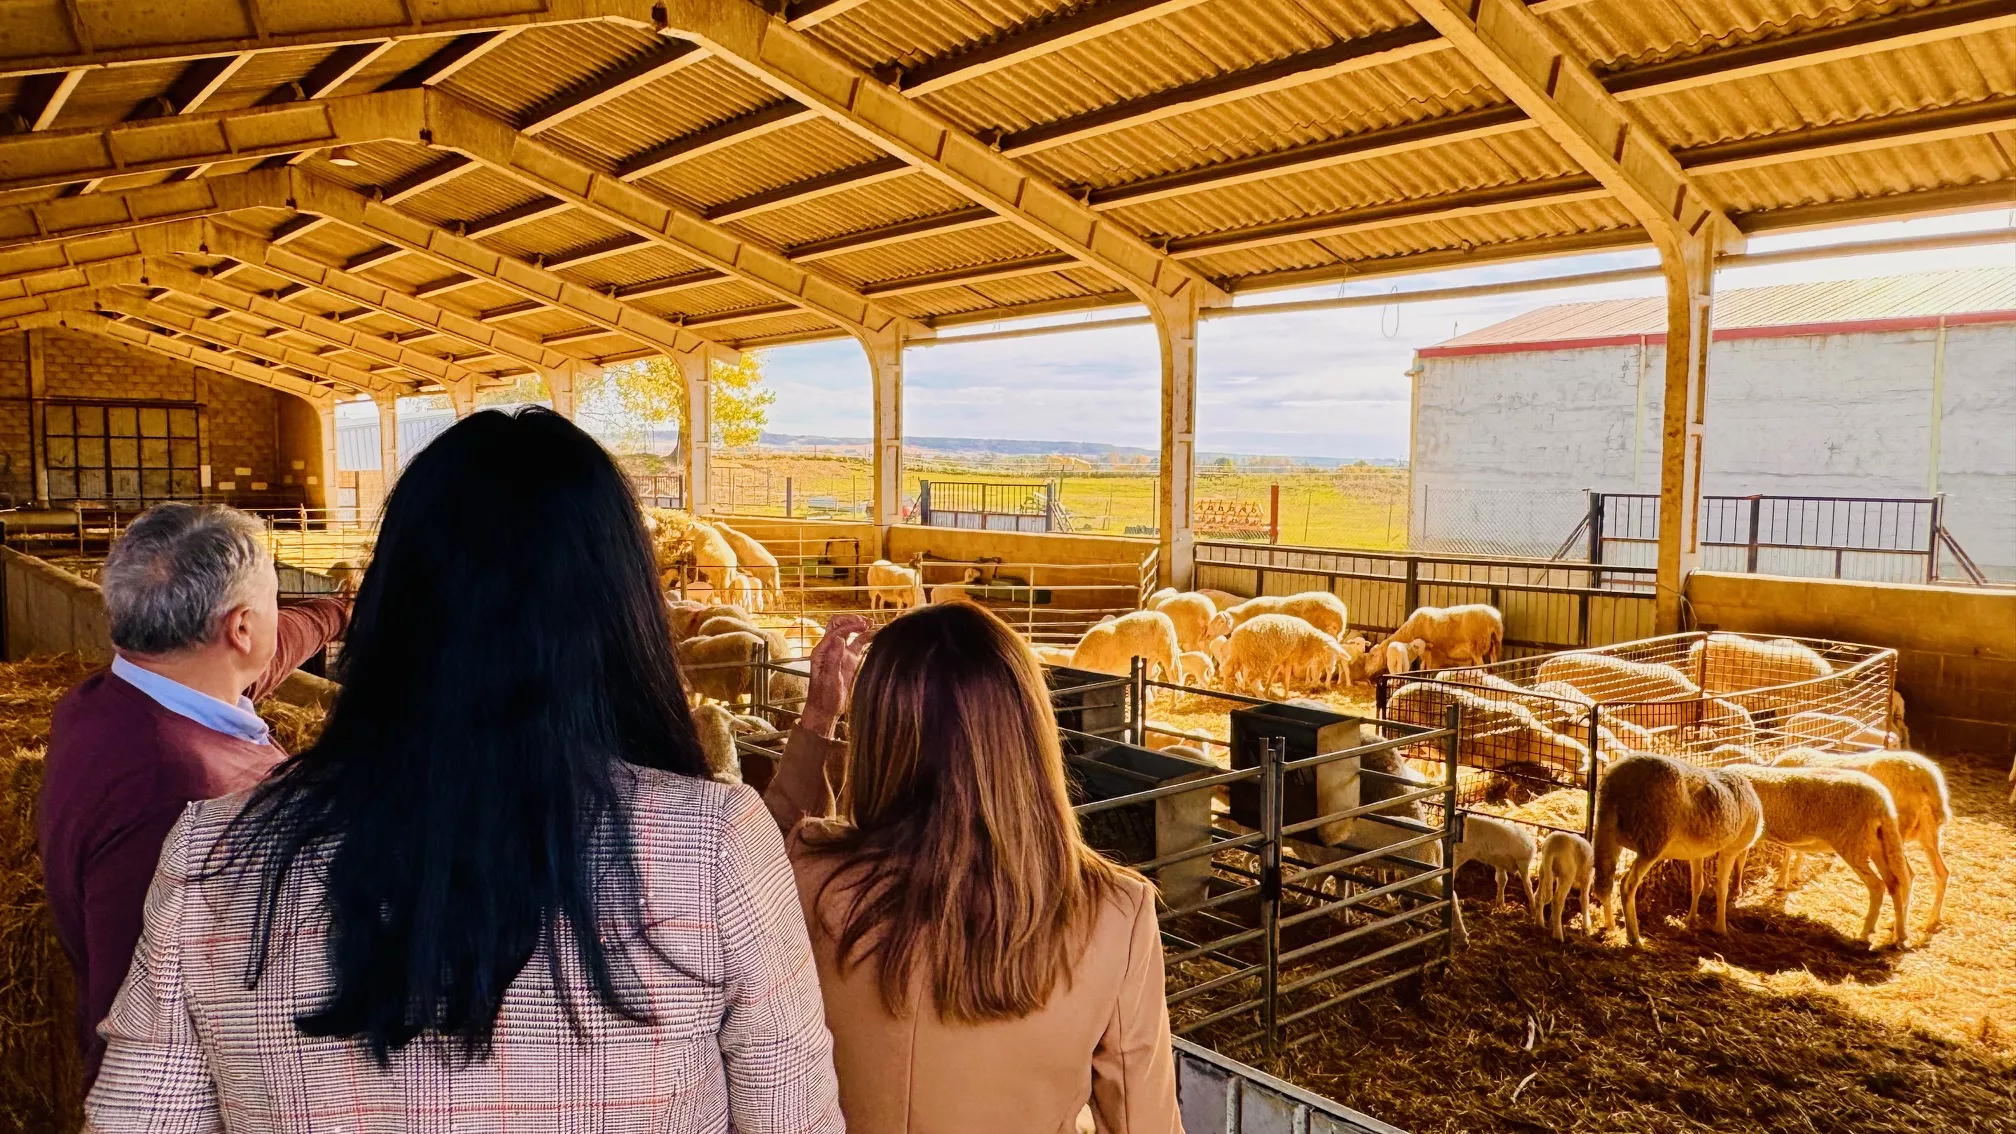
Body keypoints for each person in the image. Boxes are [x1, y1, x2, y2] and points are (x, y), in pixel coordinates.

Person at [86, 408, 841, 1133]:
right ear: (623, 611)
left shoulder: (213, 855)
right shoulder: (715, 846)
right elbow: (792, 1117)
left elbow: (138, 1118)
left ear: (391, 602)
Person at [766, 603, 1182, 1133]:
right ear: (1031, 731)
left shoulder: (810, 875)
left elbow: (759, 850)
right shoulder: (1114, 914)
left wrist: (818, 720)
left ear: (875, 738)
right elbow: (1145, 1122)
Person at [37, 502, 347, 1084]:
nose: (279, 615)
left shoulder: (108, 702)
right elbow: (135, 1023)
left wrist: (340, 609)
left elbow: (264, 659)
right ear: (241, 629)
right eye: (273, 599)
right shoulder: (180, 793)